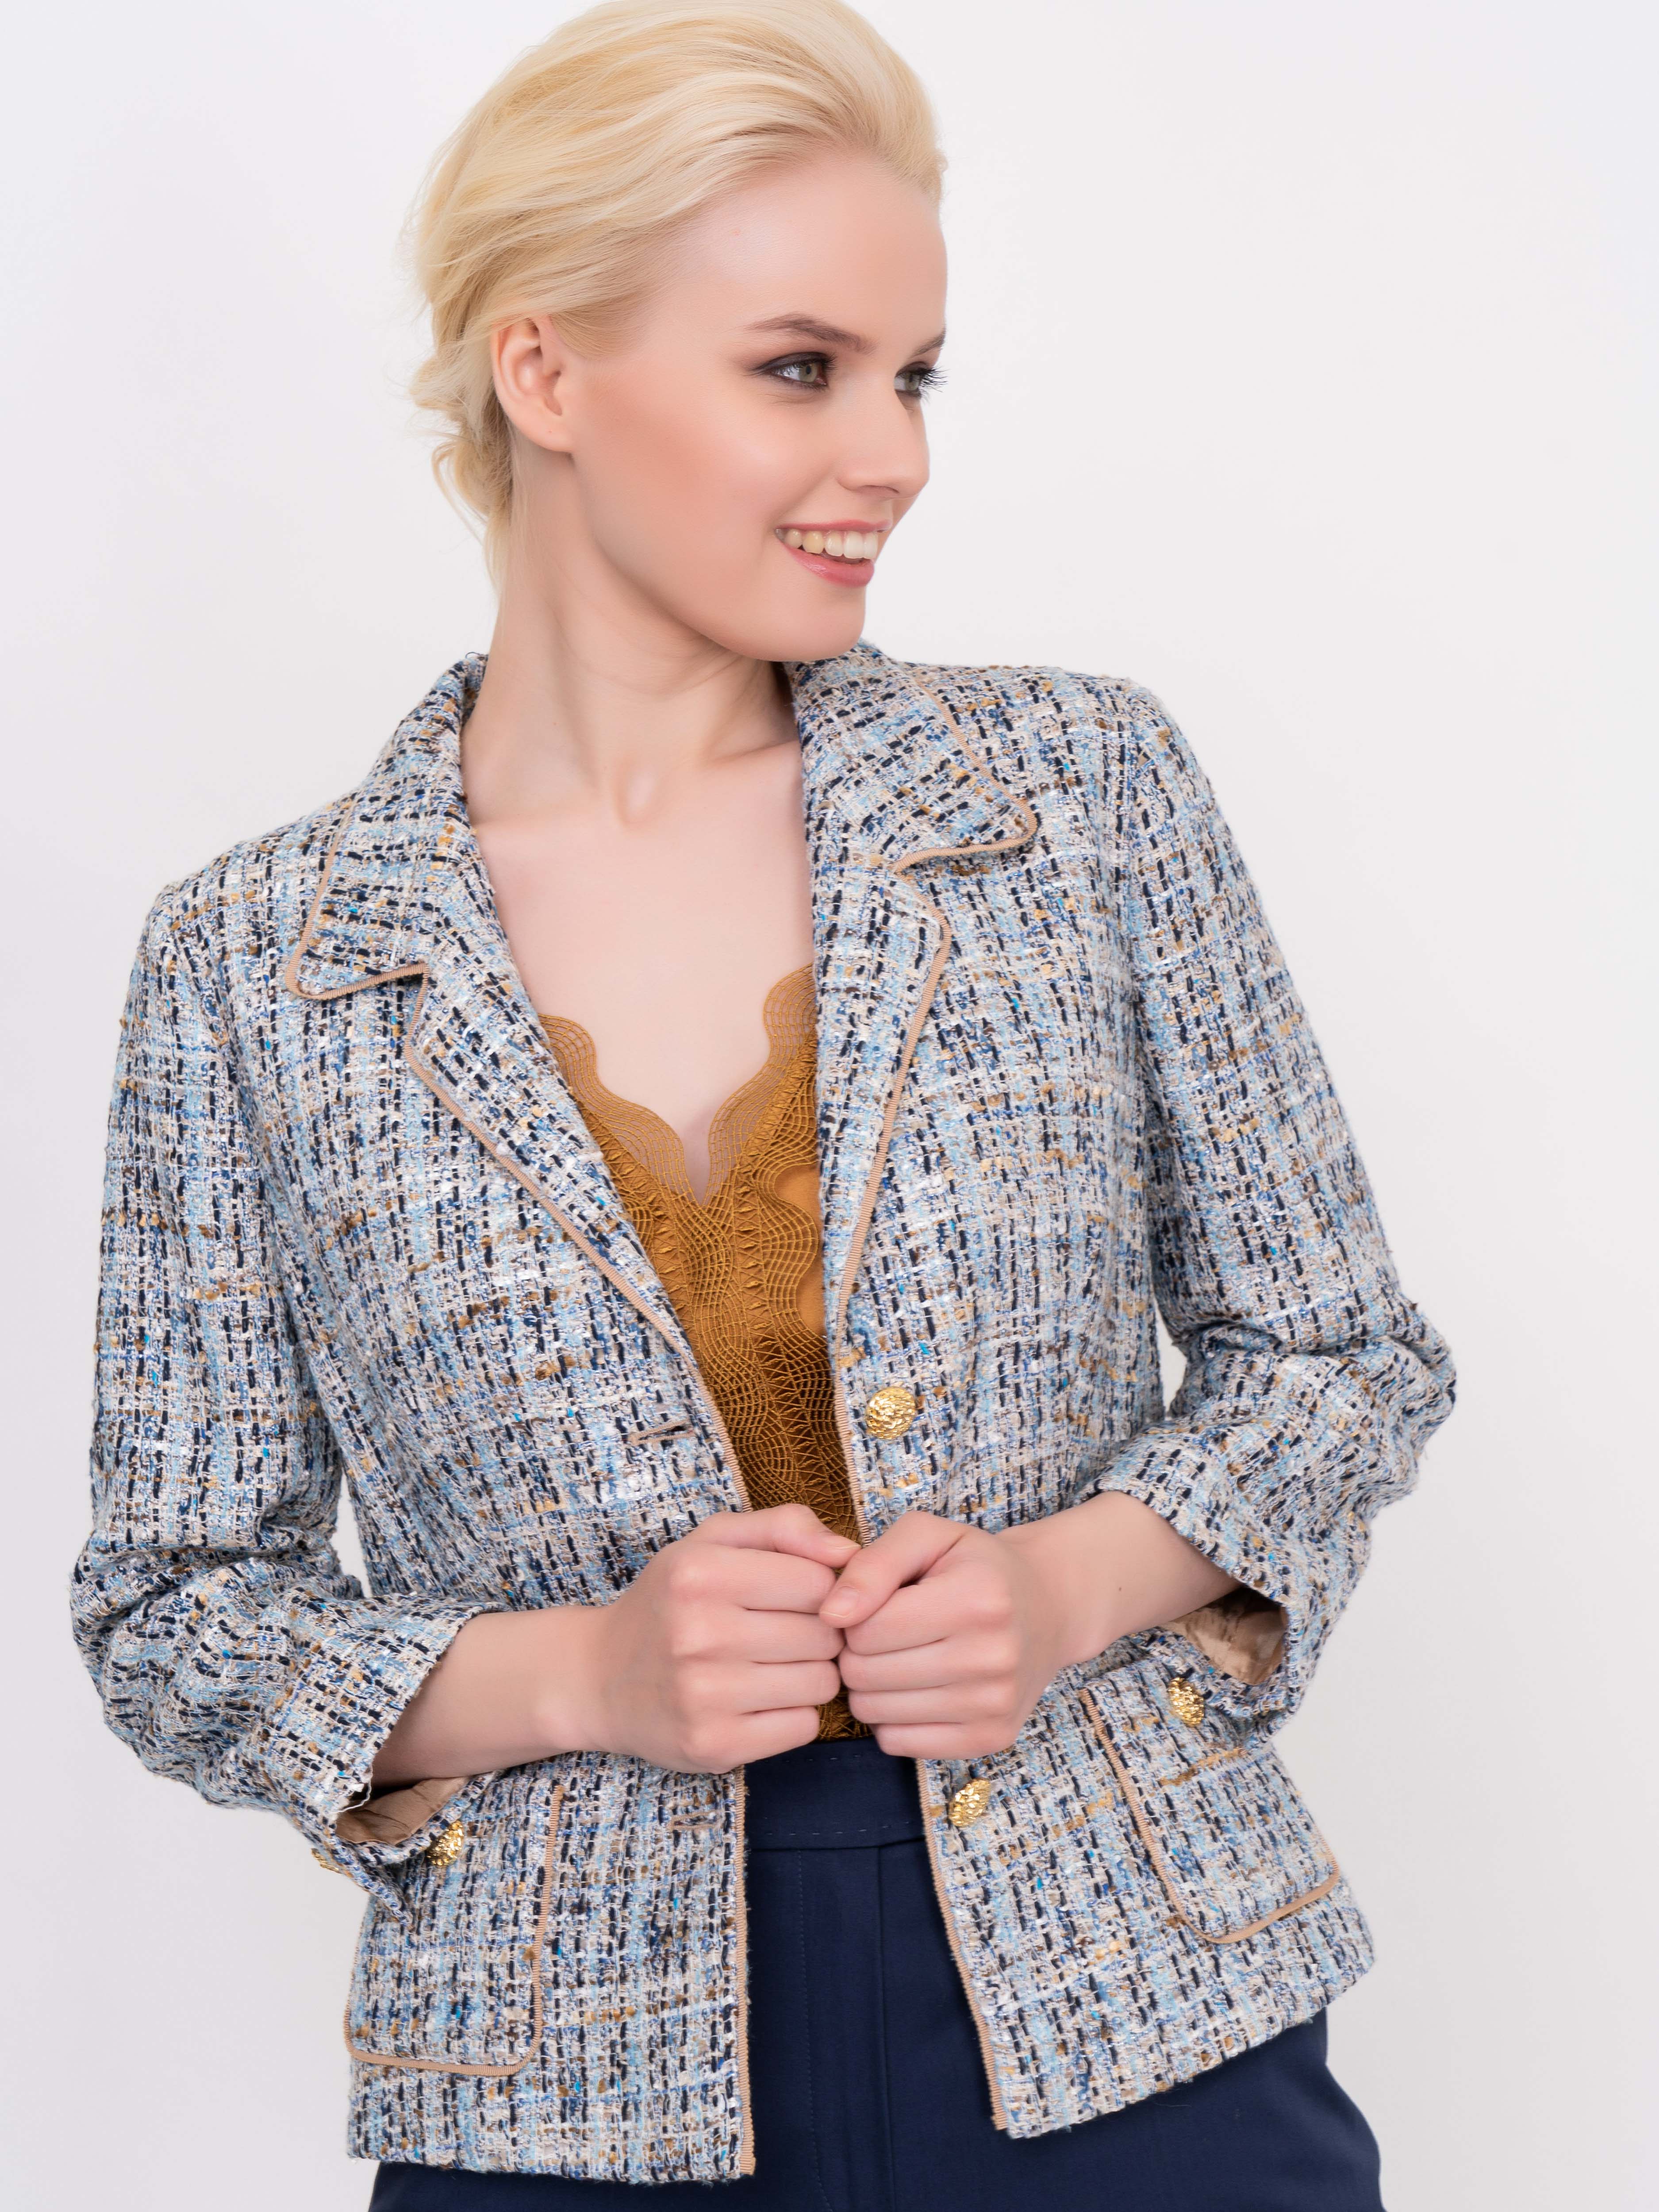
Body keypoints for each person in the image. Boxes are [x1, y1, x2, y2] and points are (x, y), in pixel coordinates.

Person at [73, 3, 1454, 2205]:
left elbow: (1340, 1354)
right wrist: (582, 1672)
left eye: (914, 378)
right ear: (544, 372)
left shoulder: (1074, 791)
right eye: (801, 369)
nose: (890, 452)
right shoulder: (257, 958)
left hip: (1139, 2009)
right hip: (560, 2083)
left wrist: (1066, 1582)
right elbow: (171, 1608)